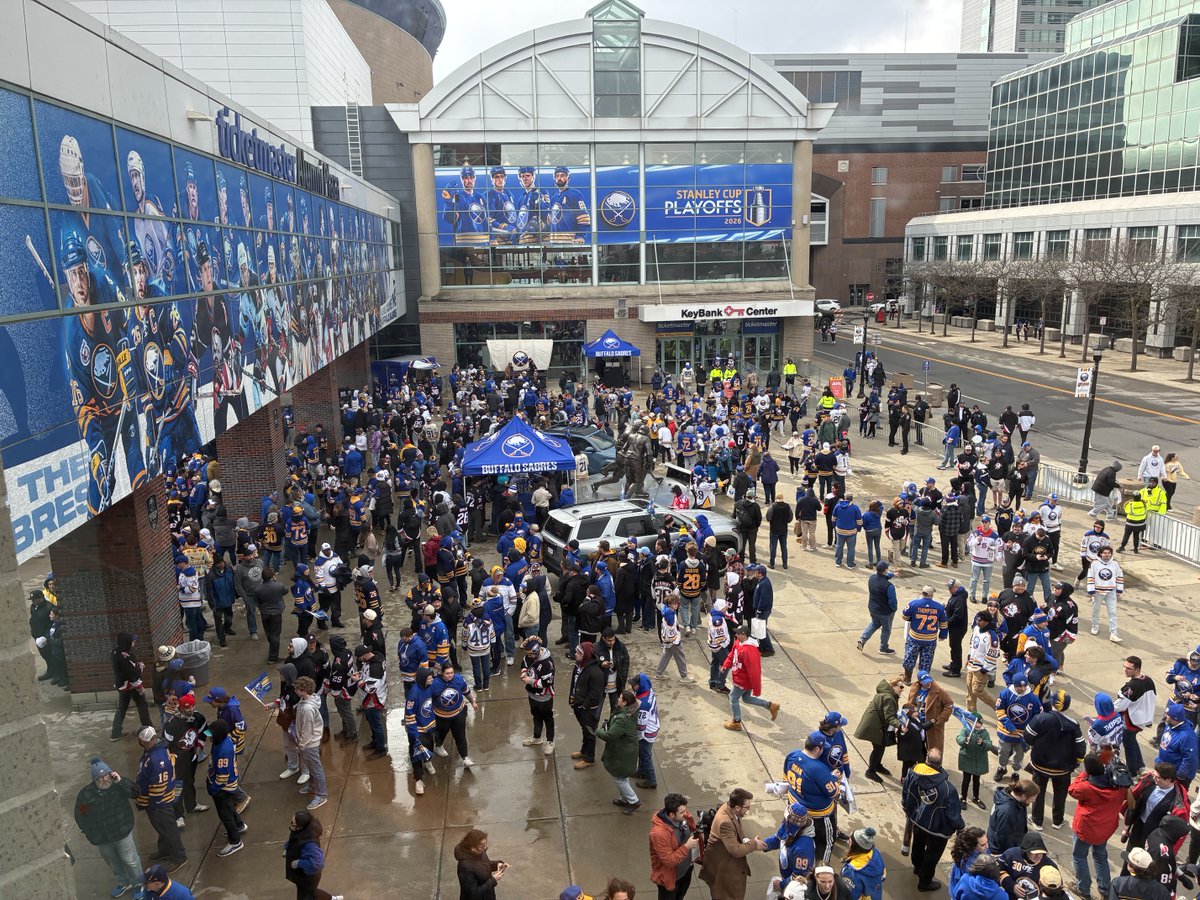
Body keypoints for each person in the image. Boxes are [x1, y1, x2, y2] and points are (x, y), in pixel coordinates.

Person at [74, 757, 144, 898]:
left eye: (107, 775)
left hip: (122, 832)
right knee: (112, 861)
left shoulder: (119, 786)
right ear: (94, 780)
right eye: (100, 778)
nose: (105, 780)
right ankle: (123, 882)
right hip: (102, 837)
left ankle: (138, 884)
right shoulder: (86, 794)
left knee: (130, 859)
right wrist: (89, 832)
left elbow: (136, 792)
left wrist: (121, 781)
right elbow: (80, 814)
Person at [1068, 752, 1129, 898]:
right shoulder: (1119, 786)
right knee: (1100, 856)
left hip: (1086, 829)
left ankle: (1083, 888)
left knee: (1079, 856)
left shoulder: (1086, 787)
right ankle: (1105, 889)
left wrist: (1084, 773)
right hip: (1105, 829)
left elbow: (1072, 789)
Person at [902, 748, 964, 893]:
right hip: (938, 829)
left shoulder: (912, 773)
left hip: (917, 820)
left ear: (926, 760)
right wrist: (960, 827)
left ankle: (917, 868)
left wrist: (906, 806)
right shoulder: (948, 789)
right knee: (932, 855)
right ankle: (925, 882)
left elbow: (906, 792)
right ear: (939, 763)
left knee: (918, 844)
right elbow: (953, 814)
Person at [1024, 689, 1085, 830]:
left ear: (1052, 703)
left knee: (1038, 793)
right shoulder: (1074, 724)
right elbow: (1081, 747)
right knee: (1060, 795)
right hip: (1063, 769)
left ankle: (1037, 820)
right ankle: (1057, 821)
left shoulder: (1041, 718)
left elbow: (1028, 737)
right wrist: (1077, 761)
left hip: (1040, 765)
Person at [134, 726, 186, 871]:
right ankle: (165, 850)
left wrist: (152, 803)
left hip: (159, 802)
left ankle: (179, 856)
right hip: (155, 801)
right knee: (161, 827)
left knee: (169, 829)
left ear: (143, 741)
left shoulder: (157, 759)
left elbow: (158, 785)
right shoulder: (154, 751)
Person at [699, 788, 766, 900]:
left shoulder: (730, 809)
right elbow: (735, 851)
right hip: (723, 871)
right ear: (737, 807)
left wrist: (747, 841)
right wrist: (754, 844)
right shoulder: (725, 822)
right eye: (747, 807)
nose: (749, 810)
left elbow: (737, 834)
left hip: (723, 863)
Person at [1123, 762, 1188, 868]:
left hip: (1154, 836)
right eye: (1154, 775)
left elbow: (1180, 828)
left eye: (1158, 778)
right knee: (1130, 858)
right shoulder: (1149, 782)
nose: (1154, 778)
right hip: (1138, 828)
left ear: (1168, 780)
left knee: (1147, 865)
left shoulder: (1175, 800)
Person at [722, 625, 780, 731]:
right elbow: (732, 654)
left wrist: (756, 688)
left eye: (738, 633)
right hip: (741, 678)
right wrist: (726, 664)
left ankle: (736, 722)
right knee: (747, 699)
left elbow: (754, 671)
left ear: (744, 635)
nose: (736, 634)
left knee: (733, 697)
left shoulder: (749, 650)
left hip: (742, 681)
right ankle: (770, 706)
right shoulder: (739, 643)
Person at [205, 719, 246, 858]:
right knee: (229, 808)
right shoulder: (225, 741)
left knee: (225, 814)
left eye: (211, 734)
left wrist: (214, 789)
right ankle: (239, 825)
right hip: (227, 785)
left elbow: (222, 777)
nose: (209, 736)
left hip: (223, 788)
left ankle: (235, 842)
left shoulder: (223, 751)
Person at [596, 689, 641, 814]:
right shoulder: (630, 713)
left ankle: (633, 801)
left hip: (623, 753)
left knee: (619, 778)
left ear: (625, 703)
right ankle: (625, 799)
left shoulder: (622, 719)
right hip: (626, 751)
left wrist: (598, 731)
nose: (618, 699)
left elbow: (609, 736)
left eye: (620, 698)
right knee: (622, 777)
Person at [649, 792, 701, 900]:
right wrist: (687, 846)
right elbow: (668, 861)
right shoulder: (659, 834)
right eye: (682, 812)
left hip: (685, 871)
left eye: (685, 810)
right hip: (670, 878)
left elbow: (692, 829)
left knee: (680, 896)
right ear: (671, 814)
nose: (686, 814)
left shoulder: (683, 817)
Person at [284, 810, 343, 900]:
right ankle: (332, 899)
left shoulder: (310, 845)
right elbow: (293, 840)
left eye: (293, 823)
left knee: (305, 895)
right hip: (301, 874)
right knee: (311, 892)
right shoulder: (301, 831)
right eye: (291, 821)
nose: (291, 824)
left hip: (308, 876)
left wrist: (299, 863)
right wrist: (286, 848)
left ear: (300, 827)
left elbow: (318, 863)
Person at [855, 675, 903, 782]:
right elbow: (889, 717)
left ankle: (877, 765)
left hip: (875, 724)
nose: (902, 690)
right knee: (878, 748)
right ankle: (871, 771)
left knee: (881, 747)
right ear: (893, 686)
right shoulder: (889, 697)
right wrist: (900, 725)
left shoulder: (887, 694)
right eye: (901, 687)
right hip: (875, 727)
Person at [1115, 655, 1158, 773]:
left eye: (1129, 668)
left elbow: (1120, 706)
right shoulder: (1148, 680)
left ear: (1138, 669)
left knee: (1128, 744)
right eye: (1124, 667)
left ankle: (1133, 771)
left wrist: (1109, 709)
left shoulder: (1132, 686)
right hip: (1144, 717)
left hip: (1133, 719)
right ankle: (1140, 766)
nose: (1125, 670)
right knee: (1132, 740)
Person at [431, 661, 478, 769]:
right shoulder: (434, 684)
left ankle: (465, 757)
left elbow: (466, 691)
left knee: (460, 735)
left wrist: (473, 702)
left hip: (458, 713)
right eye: (447, 673)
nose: (450, 675)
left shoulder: (458, 679)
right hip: (441, 716)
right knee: (441, 733)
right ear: (442, 673)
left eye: (452, 672)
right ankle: (438, 746)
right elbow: (429, 700)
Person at [901, 585, 947, 684]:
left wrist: (912, 619)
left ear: (922, 593)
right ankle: (923, 682)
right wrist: (943, 635)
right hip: (930, 640)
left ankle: (907, 678)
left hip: (915, 637)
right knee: (926, 661)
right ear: (932, 595)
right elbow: (943, 623)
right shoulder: (939, 607)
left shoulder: (913, 603)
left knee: (910, 657)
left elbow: (905, 616)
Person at [569, 641, 605, 769]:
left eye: (578, 652)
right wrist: (571, 700)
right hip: (577, 705)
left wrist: (584, 706)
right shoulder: (578, 665)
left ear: (585, 655)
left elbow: (596, 693)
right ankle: (584, 751)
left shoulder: (596, 672)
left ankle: (589, 758)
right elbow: (574, 684)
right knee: (584, 729)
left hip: (587, 709)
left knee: (590, 733)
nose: (575, 654)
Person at [111, 632, 153, 741]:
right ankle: (148, 727)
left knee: (122, 708)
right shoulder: (123, 657)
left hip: (123, 685)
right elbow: (131, 674)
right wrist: (140, 687)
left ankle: (115, 733)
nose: (134, 642)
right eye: (132, 641)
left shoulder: (116, 652)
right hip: (129, 685)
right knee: (141, 704)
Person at [293, 677, 327, 811]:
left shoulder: (307, 709)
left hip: (309, 744)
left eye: (297, 689)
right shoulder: (308, 700)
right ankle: (313, 786)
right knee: (312, 767)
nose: (295, 691)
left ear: (303, 691)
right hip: (309, 742)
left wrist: (301, 744)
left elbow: (307, 730)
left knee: (316, 769)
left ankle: (322, 795)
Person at [519, 635, 556, 755]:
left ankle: (550, 741)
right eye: (528, 654)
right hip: (532, 694)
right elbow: (524, 663)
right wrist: (524, 672)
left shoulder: (548, 663)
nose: (529, 657)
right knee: (536, 716)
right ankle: (537, 737)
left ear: (537, 651)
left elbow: (547, 682)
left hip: (544, 697)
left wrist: (530, 681)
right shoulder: (530, 656)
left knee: (548, 719)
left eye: (531, 654)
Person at [987, 778, 1039, 855]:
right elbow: (1003, 838)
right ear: (1024, 796)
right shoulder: (1008, 811)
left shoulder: (1016, 801)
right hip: (1002, 851)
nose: (1033, 801)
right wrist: (1012, 855)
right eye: (1032, 799)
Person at [956, 711, 997, 810]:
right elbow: (959, 738)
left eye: (979, 723)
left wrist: (983, 743)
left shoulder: (984, 733)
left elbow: (989, 744)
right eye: (975, 722)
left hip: (979, 761)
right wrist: (965, 740)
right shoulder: (966, 730)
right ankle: (963, 798)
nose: (977, 725)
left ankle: (976, 797)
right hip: (967, 760)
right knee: (966, 780)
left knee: (976, 780)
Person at [908, 670, 954, 753]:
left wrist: (939, 719)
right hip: (918, 722)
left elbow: (949, 705)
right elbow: (910, 704)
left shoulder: (939, 691)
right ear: (920, 682)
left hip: (932, 724)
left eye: (929, 681)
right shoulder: (914, 689)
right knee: (918, 747)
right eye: (925, 682)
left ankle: (934, 765)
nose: (928, 684)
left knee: (934, 749)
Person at [858, 560, 898, 655]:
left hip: (873, 608)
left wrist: (893, 574)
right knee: (886, 630)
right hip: (885, 612)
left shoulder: (871, 578)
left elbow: (882, 577)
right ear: (885, 570)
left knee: (875, 624)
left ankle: (862, 639)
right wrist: (894, 609)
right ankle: (883, 648)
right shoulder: (889, 586)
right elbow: (892, 602)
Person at [454, 828, 506, 900]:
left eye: (485, 844)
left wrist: (497, 864)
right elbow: (473, 895)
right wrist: (493, 880)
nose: (485, 847)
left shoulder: (480, 852)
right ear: (472, 847)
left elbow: (484, 864)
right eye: (482, 846)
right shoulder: (464, 867)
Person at [1087, 545, 1124, 643]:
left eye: (1108, 553)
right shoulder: (1094, 563)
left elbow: (1119, 576)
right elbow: (1090, 577)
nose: (1107, 555)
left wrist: (1119, 590)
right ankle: (1095, 626)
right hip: (1098, 592)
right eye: (1105, 553)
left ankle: (1113, 633)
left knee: (1113, 612)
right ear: (1100, 553)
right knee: (1096, 610)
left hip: (1111, 591)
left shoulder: (1115, 563)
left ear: (1111, 554)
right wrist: (1091, 591)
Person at [841, 827, 885, 900]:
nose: (847, 842)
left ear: (856, 847)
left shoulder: (850, 872)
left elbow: (850, 896)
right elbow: (883, 875)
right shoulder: (875, 853)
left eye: (850, 841)